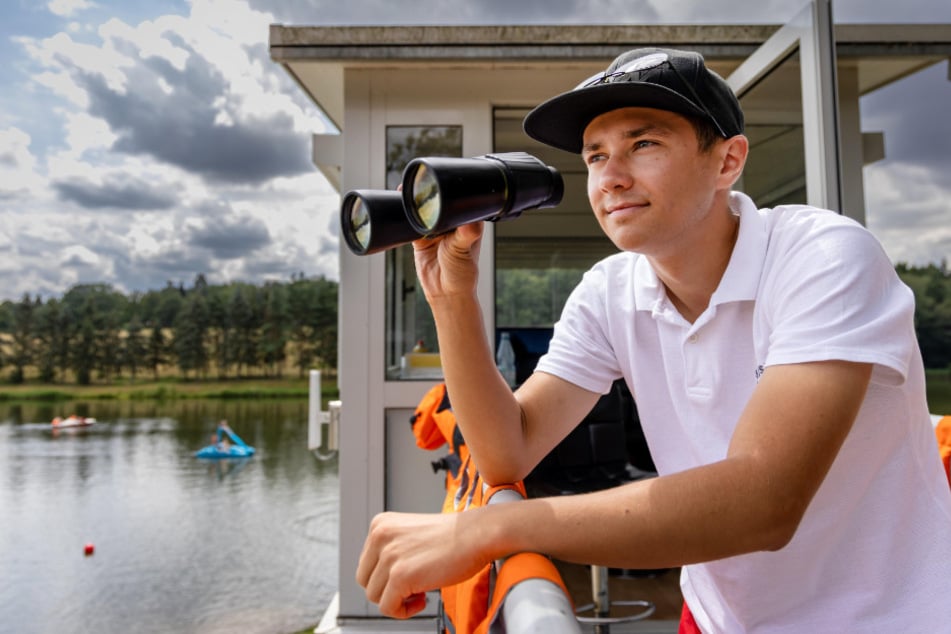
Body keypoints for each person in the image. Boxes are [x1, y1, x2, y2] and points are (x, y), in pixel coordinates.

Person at [356, 47, 951, 632]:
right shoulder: (610, 291)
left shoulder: (822, 257)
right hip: (718, 614)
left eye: (644, 145)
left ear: (727, 161)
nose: (611, 178)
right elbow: (508, 452)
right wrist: (451, 299)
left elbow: (765, 501)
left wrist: (486, 530)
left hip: (891, 617)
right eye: (595, 156)